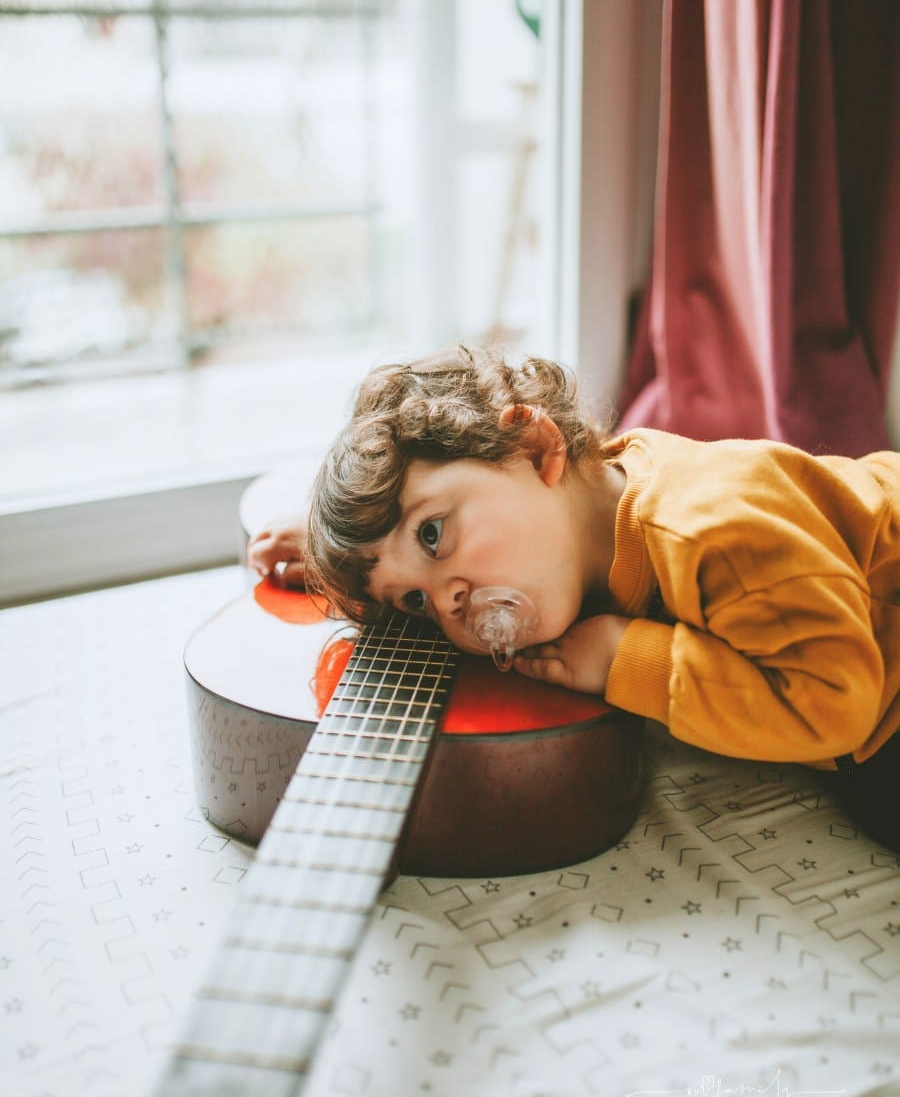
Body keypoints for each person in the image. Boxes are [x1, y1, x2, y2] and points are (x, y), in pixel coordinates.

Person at [248, 345, 900, 851]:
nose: (447, 603)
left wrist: (629, 657)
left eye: (434, 533)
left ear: (536, 447)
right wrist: (343, 554)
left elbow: (839, 706)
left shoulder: (713, 529)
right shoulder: (569, 527)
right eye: (413, 601)